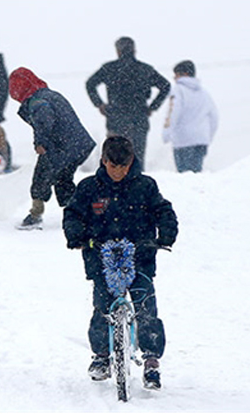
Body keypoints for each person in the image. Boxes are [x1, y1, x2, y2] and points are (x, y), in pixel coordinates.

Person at [63, 136, 178, 390]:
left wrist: (166, 233)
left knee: (146, 306)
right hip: (100, 257)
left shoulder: (145, 186)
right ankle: (102, 356)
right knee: (102, 307)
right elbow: (73, 213)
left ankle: (151, 360)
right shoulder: (89, 188)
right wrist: (76, 235)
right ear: (104, 162)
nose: (118, 172)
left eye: (123, 166)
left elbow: (163, 210)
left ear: (131, 162)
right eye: (113, 166)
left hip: (140, 257)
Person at [9, 67, 96, 230]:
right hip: (78, 146)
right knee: (63, 179)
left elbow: (44, 118)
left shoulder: (36, 100)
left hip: (60, 147)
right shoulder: (49, 94)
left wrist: (40, 142)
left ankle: (35, 215)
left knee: (41, 178)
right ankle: (79, 214)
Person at [85, 37, 171, 170]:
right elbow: (165, 85)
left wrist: (100, 104)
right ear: (134, 50)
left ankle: (114, 186)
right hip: (139, 118)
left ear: (118, 51)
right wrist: (152, 107)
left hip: (116, 118)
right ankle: (136, 185)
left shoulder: (109, 68)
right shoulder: (145, 69)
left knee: (114, 158)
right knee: (136, 157)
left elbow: (90, 84)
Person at [162, 60, 219, 173]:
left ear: (184, 74)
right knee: (196, 175)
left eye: (176, 75)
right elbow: (214, 117)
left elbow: (173, 112)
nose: (174, 78)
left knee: (184, 177)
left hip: (183, 141)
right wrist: (208, 137)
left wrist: (166, 132)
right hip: (201, 140)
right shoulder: (204, 93)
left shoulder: (178, 90)